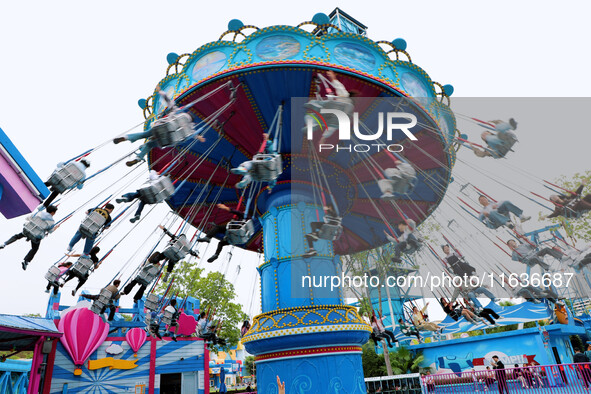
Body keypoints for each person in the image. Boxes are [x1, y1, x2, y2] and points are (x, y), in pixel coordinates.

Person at [1, 205, 58, 270]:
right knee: (34, 249)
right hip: (35, 236)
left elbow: (27, 218)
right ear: (53, 212)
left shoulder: (38, 213)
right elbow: (50, 231)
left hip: (27, 231)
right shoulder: (52, 222)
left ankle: (4, 244)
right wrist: (56, 227)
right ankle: (26, 261)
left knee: (17, 236)